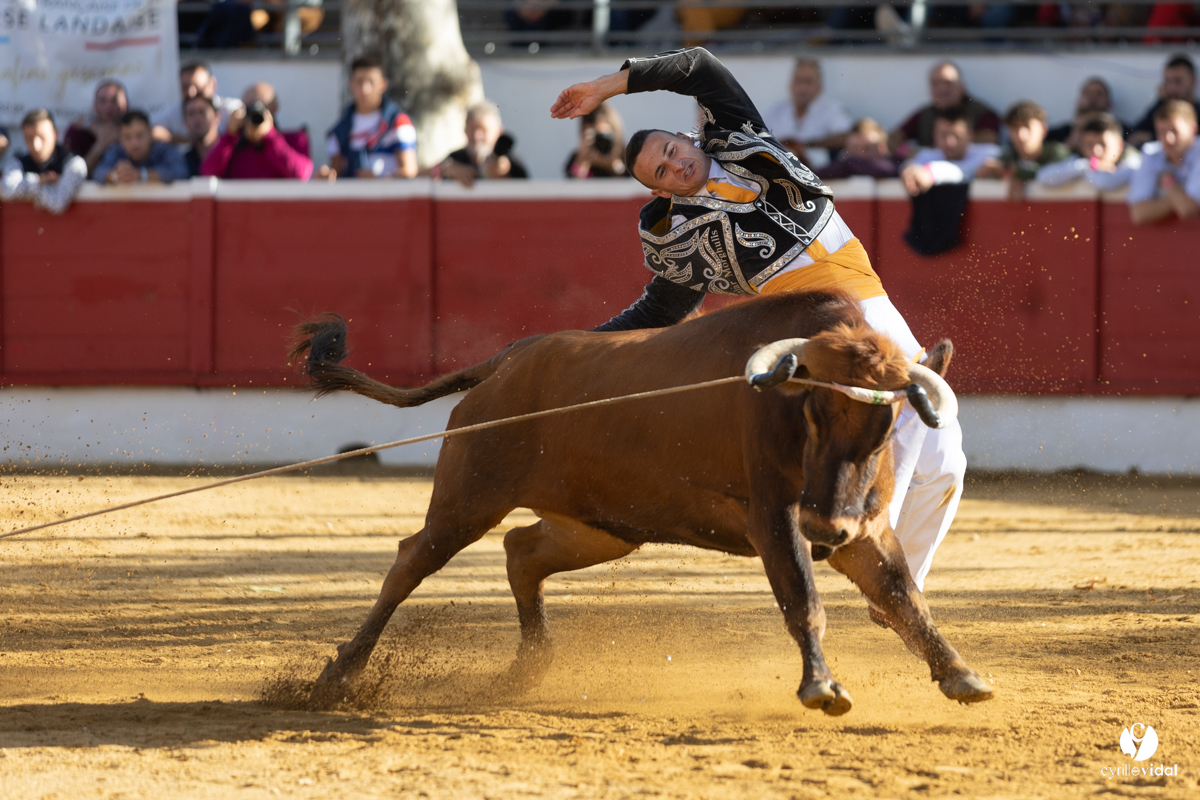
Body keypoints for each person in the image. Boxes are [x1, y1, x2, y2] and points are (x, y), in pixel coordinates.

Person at [549, 47, 967, 598]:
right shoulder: (680, 235)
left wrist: (606, 87)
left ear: (687, 138)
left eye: (672, 151)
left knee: (946, 462)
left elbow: (699, 66)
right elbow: (659, 311)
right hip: (818, 326)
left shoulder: (739, 135)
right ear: (659, 191)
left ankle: (901, 582)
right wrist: (581, 351)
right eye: (662, 172)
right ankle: (886, 570)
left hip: (871, 301)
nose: (676, 165)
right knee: (911, 412)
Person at [323, 55, 418, 179]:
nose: (365, 89)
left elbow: (410, 170)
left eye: (371, 82)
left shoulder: (399, 122)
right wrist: (326, 176)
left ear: (383, 84)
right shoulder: (340, 130)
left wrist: (379, 180)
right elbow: (336, 172)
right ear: (351, 83)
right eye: (359, 82)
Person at [200, 82, 313, 180]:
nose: (255, 113)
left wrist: (270, 136)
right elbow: (208, 172)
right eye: (249, 107)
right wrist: (230, 134)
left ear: (274, 108)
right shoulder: (232, 145)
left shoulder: (295, 139)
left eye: (262, 107)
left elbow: (301, 174)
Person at [761, 58, 852, 170]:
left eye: (808, 81)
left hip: (820, 175)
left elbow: (846, 137)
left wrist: (807, 145)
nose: (802, 87)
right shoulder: (775, 110)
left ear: (819, 86)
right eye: (798, 80)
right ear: (791, 84)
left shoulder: (832, 109)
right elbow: (757, 136)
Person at [890, 62, 1000, 153]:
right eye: (935, 83)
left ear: (962, 87)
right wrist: (907, 152)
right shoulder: (924, 115)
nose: (942, 89)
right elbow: (892, 139)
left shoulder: (983, 113)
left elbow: (988, 141)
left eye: (948, 83)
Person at [1, 109, 88, 215]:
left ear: (55, 135)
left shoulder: (74, 163)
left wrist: (28, 187)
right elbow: (7, 190)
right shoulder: (18, 162)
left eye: (42, 137)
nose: (36, 146)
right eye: (29, 138)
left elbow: (58, 203)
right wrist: (40, 180)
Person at [981, 100, 1072, 198]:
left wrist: (1018, 173)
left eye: (1027, 126)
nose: (1021, 135)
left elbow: (1051, 174)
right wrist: (987, 171)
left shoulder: (1058, 152)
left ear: (1043, 129)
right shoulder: (1007, 156)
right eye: (1015, 128)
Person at [1128, 100, 1200, 224]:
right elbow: (1139, 213)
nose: (1168, 139)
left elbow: (1189, 209)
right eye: (1161, 132)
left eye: (1174, 131)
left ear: (1193, 130)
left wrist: (1168, 182)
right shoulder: (1152, 154)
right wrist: (1178, 200)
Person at [900, 108, 1002, 196]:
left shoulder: (991, 154)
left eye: (957, 136)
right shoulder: (925, 156)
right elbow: (911, 167)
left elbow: (1009, 163)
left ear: (970, 135)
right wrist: (910, 171)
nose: (950, 142)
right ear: (934, 136)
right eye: (943, 135)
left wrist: (999, 167)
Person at [1036, 113, 1142, 192]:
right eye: (1089, 145)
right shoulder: (1082, 161)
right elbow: (1044, 177)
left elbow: (1104, 183)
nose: (1096, 150)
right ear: (1082, 145)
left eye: (1103, 144)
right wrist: (1088, 166)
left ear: (1119, 145)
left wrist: (1089, 169)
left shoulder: (1134, 160)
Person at [437, 101, 529, 187]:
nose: (477, 136)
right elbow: (424, 175)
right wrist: (445, 169)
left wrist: (502, 173)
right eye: (472, 129)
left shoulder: (514, 163)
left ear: (499, 132)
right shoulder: (456, 158)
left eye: (484, 130)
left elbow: (526, 192)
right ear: (465, 130)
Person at [151, 61, 243, 144]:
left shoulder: (230, 108)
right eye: (191, 113)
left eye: (198, 87)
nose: (192, 93)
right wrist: (189, 141)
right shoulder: (174, 112)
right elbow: (150, 130)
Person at [94, 111, 190, 185]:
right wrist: (116, 175)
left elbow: (181, 173)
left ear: (150, 134)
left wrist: (142, 175)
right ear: (120, 138)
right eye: (127, 137)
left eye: (139, 135)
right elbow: (97, 173)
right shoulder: (116, 151)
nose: (134, 143)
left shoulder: (166, 149)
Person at [1129, 54, 1200, 149]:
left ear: (1193, 80)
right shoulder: (1160, 108)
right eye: (1167, 81)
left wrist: (1152, 137)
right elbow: (1135, 134)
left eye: (1178, 81)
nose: (1171, 88)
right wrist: (1160, 101)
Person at [64, 80, 129, 177]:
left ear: (126, 103)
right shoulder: (78, 132)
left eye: (114, 100)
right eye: (102, 101)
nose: (108, 107)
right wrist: (100, 145)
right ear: (94, 105)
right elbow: (74, 175)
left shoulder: (138, 130)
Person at [1046, 77, 1122, 147]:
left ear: (1109, 103)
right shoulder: (1058, 134)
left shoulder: (1121, 131)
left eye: (1099, 93)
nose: (1093, 97)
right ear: (1078, 101)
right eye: (1087, 93)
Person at [815, 118, 899, 180]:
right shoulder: (841, 167)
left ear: (882, 148)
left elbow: (885, 170)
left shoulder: (899, 166)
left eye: (866, 148)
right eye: (854, 149)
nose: (859, 155)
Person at [564, 102, 627, 178]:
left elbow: (628, 180)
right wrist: (582, 160)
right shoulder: (576, 157)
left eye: (603, 137)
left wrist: (612, 164)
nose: (599, 143)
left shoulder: (626, 156)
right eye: (593, 136)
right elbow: (573, 185)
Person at [183, 96, 221, 177]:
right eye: (191, 114)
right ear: (185, 122)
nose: (197, 118)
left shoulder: (232, 154)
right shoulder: (183, 162)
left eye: (202, 112)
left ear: (217, 117)